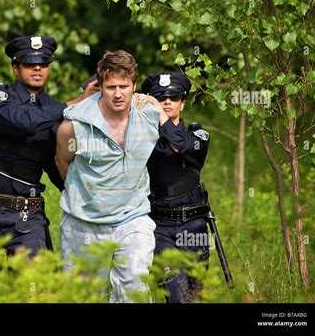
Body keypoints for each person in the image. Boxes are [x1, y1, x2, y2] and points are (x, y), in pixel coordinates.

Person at [0, 35, 91, 258]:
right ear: (15, 68)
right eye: (30, 63)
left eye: (43, 63)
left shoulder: (53, 110)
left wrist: (84, 202)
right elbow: (24, 120)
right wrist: (74, 104)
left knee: (36, 289)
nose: (38, 68)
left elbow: (55, 165)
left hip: (27, 216)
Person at [55, 50, 168, 303]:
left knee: (135, 287)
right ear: (100, 87)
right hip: (84, 222)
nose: (118, 94)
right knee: (83, 295)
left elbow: (177, 142)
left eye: (124, 86)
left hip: (133, 217)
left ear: (134, 86)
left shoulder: (149, 113)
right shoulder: (74, 126)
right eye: (111, 87)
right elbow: (62, 164)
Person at [141, 72, 211, 302]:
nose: (167, 102)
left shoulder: (197, 137)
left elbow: (180, 147)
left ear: (183, 102)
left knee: (194, 296)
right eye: (160, 98)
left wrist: (159, 113)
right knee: (176, 294)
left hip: (194, 225)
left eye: (173, 97)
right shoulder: (143, 137)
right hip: (161, 226)